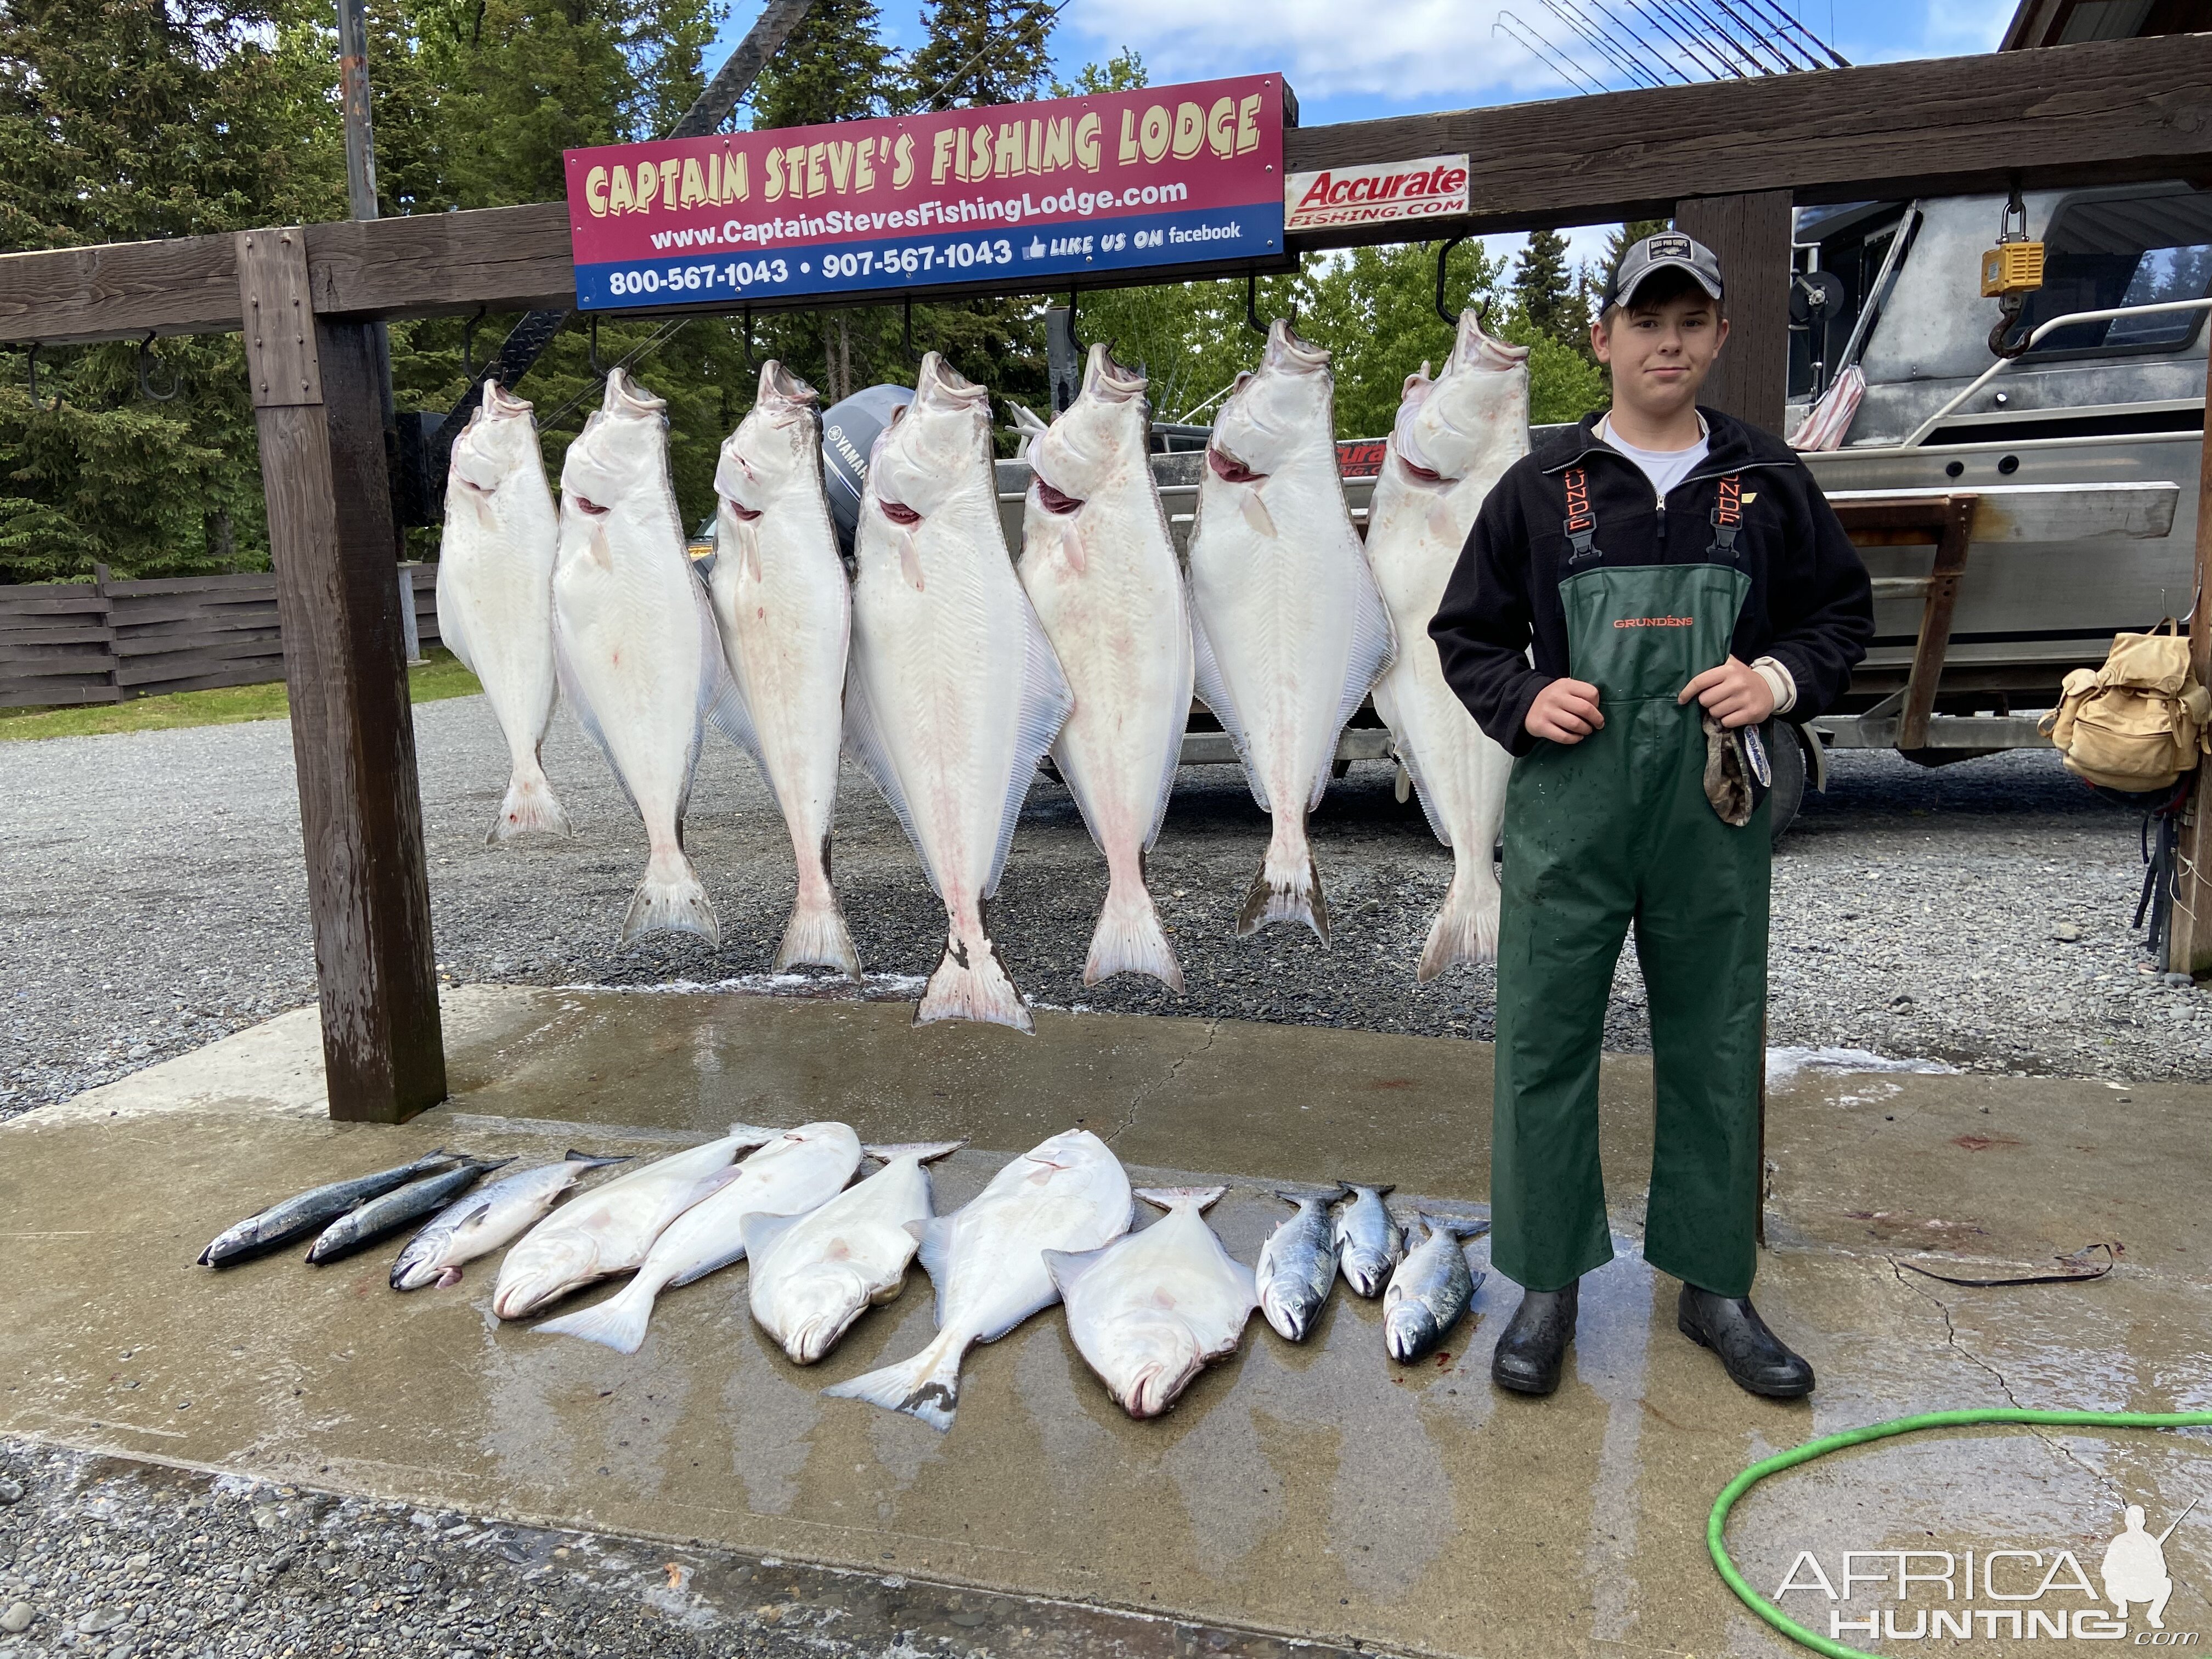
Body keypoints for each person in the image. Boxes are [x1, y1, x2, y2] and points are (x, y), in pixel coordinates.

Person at [1429, 232, 1874, 1400]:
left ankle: (1713, 1285)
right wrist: (1525, 697)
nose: (1666, 342)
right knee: (1542, 1042)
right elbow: (1463, 637)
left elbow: (1839, 618)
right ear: (1604, 337)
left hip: (1713, 813)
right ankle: (1546, 1279)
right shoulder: (1538, 490)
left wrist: (1776, 682)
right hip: (1572, 813)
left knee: (1717, 1042)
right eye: (1645, 320)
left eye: (1689, 322)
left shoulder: (1770, 481)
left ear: (1720, 335)